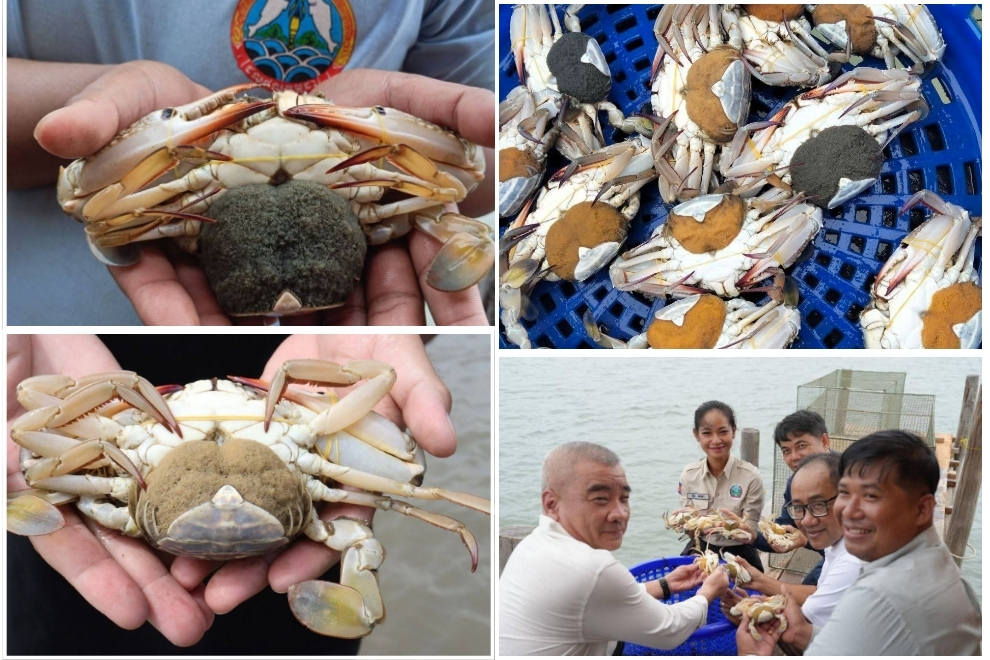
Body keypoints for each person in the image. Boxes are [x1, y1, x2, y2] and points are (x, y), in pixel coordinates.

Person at [8, 0, 495, 326]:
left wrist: (380, 134)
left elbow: (473, 168)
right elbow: (83, 196)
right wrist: (117, 111)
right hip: (50, 317)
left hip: (344, 318)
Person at [7, 333, 484, 654]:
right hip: (80, 595)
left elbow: (37, 419)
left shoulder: (121, 434)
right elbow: (404, 464)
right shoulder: (309, 426)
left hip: (143, 503)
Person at [736, 430, 982, 656]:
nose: (848, 511)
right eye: (844, 492)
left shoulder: (879, 594)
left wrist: (753, 655)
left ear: (922, 509)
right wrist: (804, 633)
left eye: (870, 496)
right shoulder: (937, 566)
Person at [499, 441, 729, 655]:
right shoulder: (591, 568)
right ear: (551, 504)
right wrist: (707, 593)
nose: (619, 513)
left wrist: (665, 585)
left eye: (624, 498)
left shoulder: (534, 544)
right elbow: (669, 630)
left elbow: (597, 601)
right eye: (600, 498)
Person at [722, 453, 860, 640]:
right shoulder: (837, 546)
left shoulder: (853, 561)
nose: (806, 520)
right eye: (798, 508)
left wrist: (749, 613)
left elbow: (799, 633)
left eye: (818, 505)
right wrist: (757, 586)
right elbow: (819, 594)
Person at [676, 401, 765, 571]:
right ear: (697, 435)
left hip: (739, 551)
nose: (716, 440)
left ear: (734, 431)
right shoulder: (689, 475)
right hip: (701, 548)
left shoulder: (751, 477)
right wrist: (684, 523)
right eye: (707, 433)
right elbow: (690, 530)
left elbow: (751, 533)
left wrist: (735, 529)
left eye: (723, 432)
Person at [751, 410, 834, 592]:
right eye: (786, 451)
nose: (794, 457)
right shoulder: (794, 483)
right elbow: (786, 532)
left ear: (825, 441)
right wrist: (749, 535)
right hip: (830, 556)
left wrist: (805, 541)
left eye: (801, 445)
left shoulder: (849, 478)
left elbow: (851, 541)